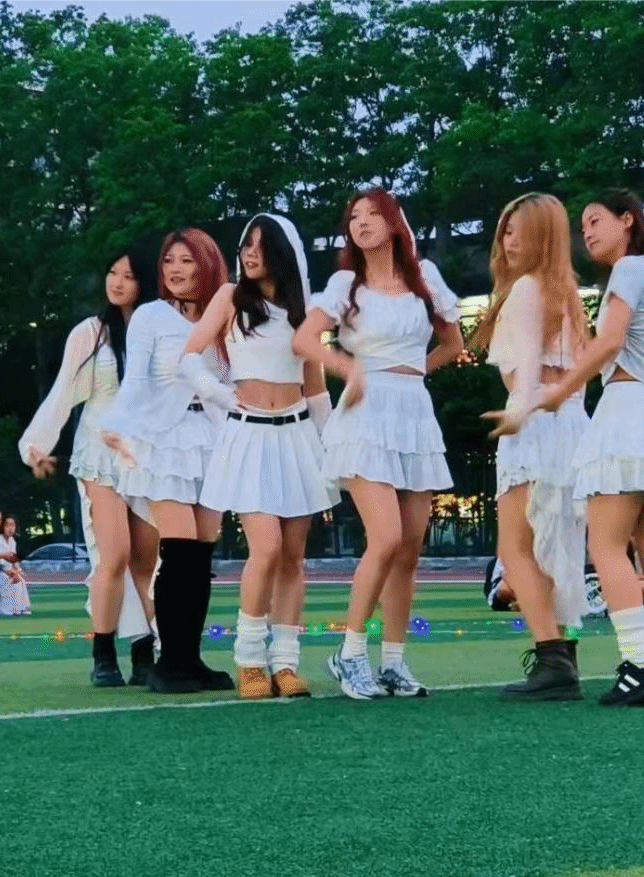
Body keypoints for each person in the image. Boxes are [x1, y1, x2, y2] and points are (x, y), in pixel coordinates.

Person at [487, 188, 644, 707]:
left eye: (595, 221)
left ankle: (639, 662)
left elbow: (608, 344)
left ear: (627, 221)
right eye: (582, 225)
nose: (586, 232)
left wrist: (561, 390)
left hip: (622, 416)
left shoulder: (627, 271)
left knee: (602, 549)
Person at [293, 187, 464, 700]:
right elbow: (304, 339)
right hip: (364, 416)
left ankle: (393, 662)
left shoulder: (425, 277)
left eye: (373, 213)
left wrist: (412, 374)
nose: (362, 222)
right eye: (354, 216)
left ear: (394, 222)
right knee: (386, 538)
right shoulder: (346, 283)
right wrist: (347, 368)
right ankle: (349, 654)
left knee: (409, 549)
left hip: (413, 412)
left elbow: (453, 343)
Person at [182, 213, 336, 700]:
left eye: (260, 246)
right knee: (265, 549)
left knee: (293, 557)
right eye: (245, 245)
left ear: (282, 253)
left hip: (297, 437)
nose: (249, 254)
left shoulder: (303, 312)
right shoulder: (231, 297)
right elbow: (189, 356)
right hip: (248, 437)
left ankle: (285, 663)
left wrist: (335, 452)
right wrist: (220, 393)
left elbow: (316, 391)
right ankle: (249, 659)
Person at [20, 246, 162, 686]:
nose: (117, 282)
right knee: (113, 555)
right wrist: (36, 446)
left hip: (148, 457)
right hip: (99, 455)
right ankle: (103, 654)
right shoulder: (90, 333)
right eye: (112, 272)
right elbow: (63, 391)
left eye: (129, 275)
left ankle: (144, 653)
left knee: (147, 564)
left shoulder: (159, 329)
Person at [103, 228, 234, 694]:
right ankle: (169, 662)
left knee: (200, 555)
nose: (175, 269)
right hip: (164, 441)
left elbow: (234, 379)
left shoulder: (226, 314)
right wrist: (117, 426)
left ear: (207, 263)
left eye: (187, 260)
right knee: (178, 550)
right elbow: (136, 380)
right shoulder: (150, 316)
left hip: (213, 440)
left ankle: (190, 659)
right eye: (168, 261)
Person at [473, 192, 591, 701]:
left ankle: (552, 659)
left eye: (518, 231)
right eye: (505, 230)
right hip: (570, 425)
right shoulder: (567, 295)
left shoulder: (526, 290)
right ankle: (561, 654)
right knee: (556, 548)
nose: (508, 241)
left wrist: (519, 411)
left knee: (517, 549)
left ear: (542, 237)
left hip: (536, 425)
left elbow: (524, 371)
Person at [0, 516, 32, 616]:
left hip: (9, 571)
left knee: (21, 582)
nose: (10, 528)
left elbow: (13, 559)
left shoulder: (12, 540)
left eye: (12, 525)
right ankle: (5, 610)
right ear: (2, 527)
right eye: (7, 525)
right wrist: (10, 572)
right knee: (7, 581)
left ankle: (21, 608)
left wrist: (16, 571)